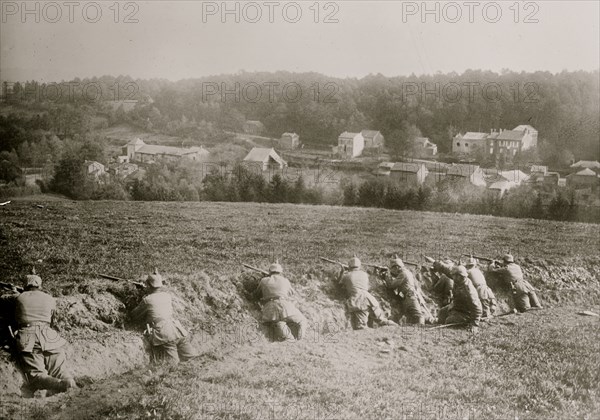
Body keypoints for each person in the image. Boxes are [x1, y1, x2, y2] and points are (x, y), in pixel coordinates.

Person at [14, 272, 77, 394]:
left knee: (36, 375)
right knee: (60, 370)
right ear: (40, 286)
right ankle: (68, 381)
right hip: (49, 336)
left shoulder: (18, 297)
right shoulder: (49, 298)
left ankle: (59, 385)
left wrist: (16, 291)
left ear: (25, 285)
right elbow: (52, 320)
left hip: (29, 336)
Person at [131, 270, 197, 363]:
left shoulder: (147, 300)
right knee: (193, 358)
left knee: (173, 364)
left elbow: (134, 315)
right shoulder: (167, 296)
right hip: (177, 330)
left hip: (165, 334)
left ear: (148, 285)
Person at [338, 257, 397, 330]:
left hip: (358, 301)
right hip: (370, 299)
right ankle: (396, 327)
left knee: (361, 327)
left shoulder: (346, 276)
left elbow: (339, 284)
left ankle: (374, 335)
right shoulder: (364, 274)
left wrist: (342, 272)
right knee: (382, 320)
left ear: (349, 266)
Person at [255, 262, 307, 342]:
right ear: (280, 272)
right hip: (284, 305)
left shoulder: (263, 280)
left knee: (278, 322)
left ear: (270, 271)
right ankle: (300, 339)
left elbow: (257, 294)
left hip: (269, 308)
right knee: (302, 320)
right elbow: (291, 293)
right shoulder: (285, 280)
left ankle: (287, 336)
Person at [377, 258, 426, 325]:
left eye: (392, 268)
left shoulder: (403, 274)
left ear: (397, 267)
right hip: (407, 296)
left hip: (410, 297)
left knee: (418, 315)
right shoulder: (407, 272)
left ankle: (421, 328)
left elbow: (391, 285)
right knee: (410, 316)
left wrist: (387, 276)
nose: (392, 270)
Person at [437, 265, 482, 330]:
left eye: (454, 275)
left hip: (466, 313)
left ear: (460, 276)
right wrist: (437, 264)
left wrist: (475, 324)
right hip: (456, 306)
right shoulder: (459, 281)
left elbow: (477, 308)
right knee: (441, 312)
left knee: (449, 320)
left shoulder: (469, 291)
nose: (453, 277)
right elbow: (447, 271)